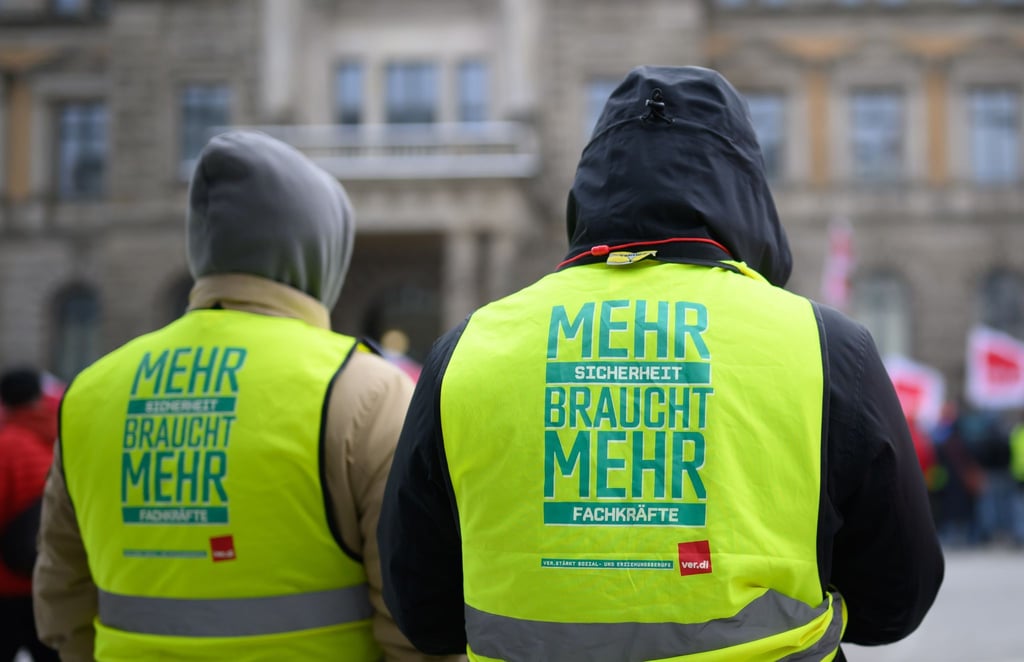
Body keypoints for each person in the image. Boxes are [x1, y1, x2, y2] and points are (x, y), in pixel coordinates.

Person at [378, 66, 944, 661]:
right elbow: (895, 600)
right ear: (744, 191)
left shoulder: (467, 348)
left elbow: (423, 610)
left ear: (593, 185)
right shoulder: (826, 346)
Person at [33, 131, 462, 661]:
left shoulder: (91, 391)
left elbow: (60, 601)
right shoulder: (365, 390)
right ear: (318, 251)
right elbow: (415, 620)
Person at [0, 368, 60, 662]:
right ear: (39, 397)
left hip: (7, 583)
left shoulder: (7, 444)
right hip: (50, 577)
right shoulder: (58, 438)